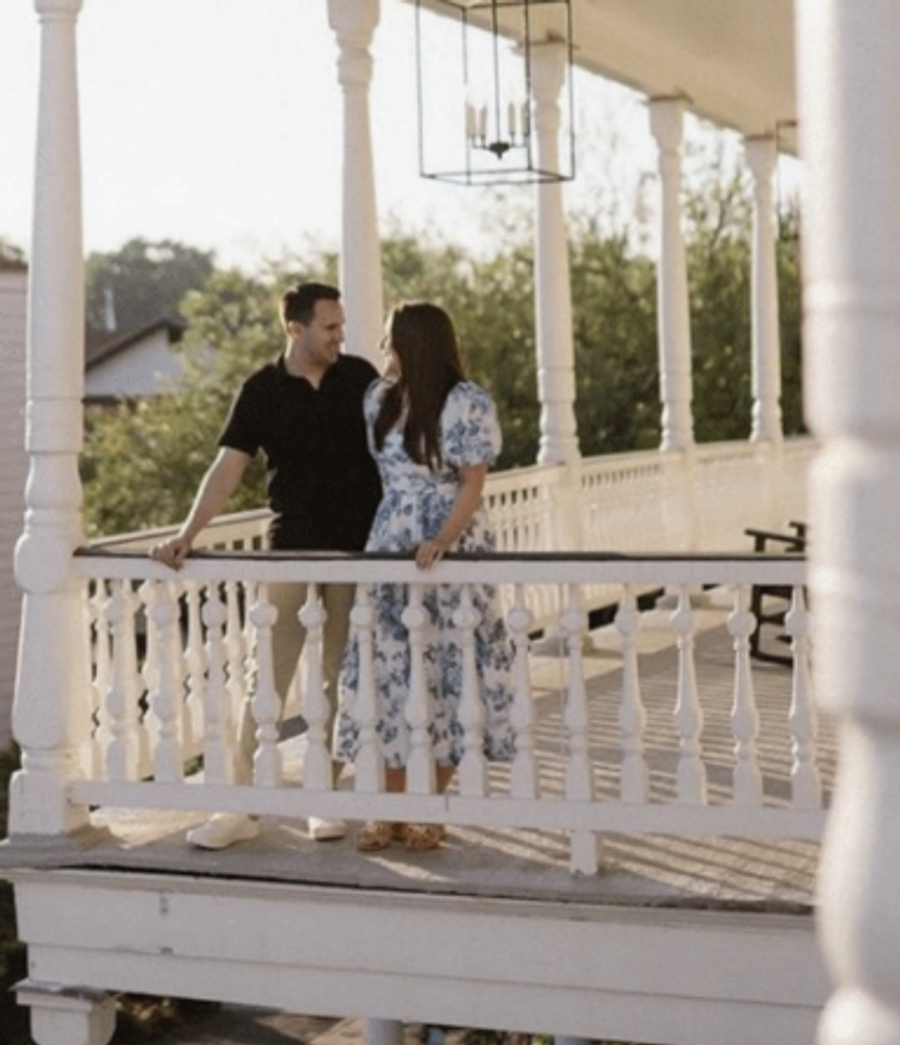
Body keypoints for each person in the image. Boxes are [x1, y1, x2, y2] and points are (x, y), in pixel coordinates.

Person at [150, 282, 382, 849]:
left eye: (340, 325)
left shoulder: (360, 378)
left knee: (336, 679)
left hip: (356, 554)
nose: (340, 336)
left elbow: (399, 452)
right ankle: (240, 807)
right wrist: (187, 535)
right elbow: (227, 470)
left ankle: (320, 801)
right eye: (329, 327)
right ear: (294, 329)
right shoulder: (260, 390)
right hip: (290, 548)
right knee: (266, 684)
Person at [334, 301, 516, 853]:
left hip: (449, 541)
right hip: (390, 536)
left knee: (448, 671)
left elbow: (471, 482)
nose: (384, 348)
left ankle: (430, 808)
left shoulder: (466, 402)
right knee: (388, 670)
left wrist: (443, 539)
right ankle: (390, 809)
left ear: (414, 343)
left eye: (391, 338)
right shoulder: (379, 399)